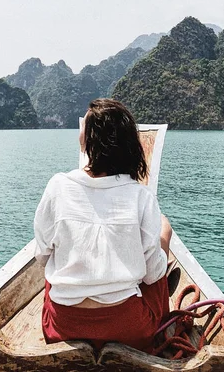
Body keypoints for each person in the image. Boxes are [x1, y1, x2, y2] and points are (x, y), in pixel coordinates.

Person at [33, 98, 173, 353]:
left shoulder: (58, 186)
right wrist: (164, 237)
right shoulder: (141, 196)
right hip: (128, 330)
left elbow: (42, 257)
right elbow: (153, 274)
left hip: (63, 328)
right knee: (162, 239)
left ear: (85, 142)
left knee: (52, 272)